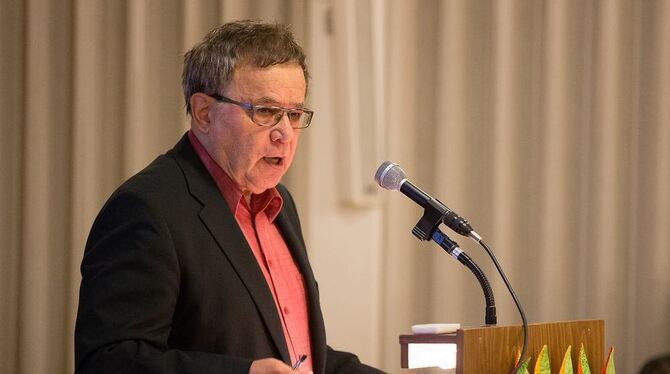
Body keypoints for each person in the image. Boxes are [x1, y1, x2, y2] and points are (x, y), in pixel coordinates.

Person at [74, 20, 384, 374]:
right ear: (205, 112)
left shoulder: (279, 204)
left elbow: (299, 353)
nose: (284, 133)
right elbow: (108, 362)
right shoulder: (147, 210)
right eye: (266, 111)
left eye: (294, 113)